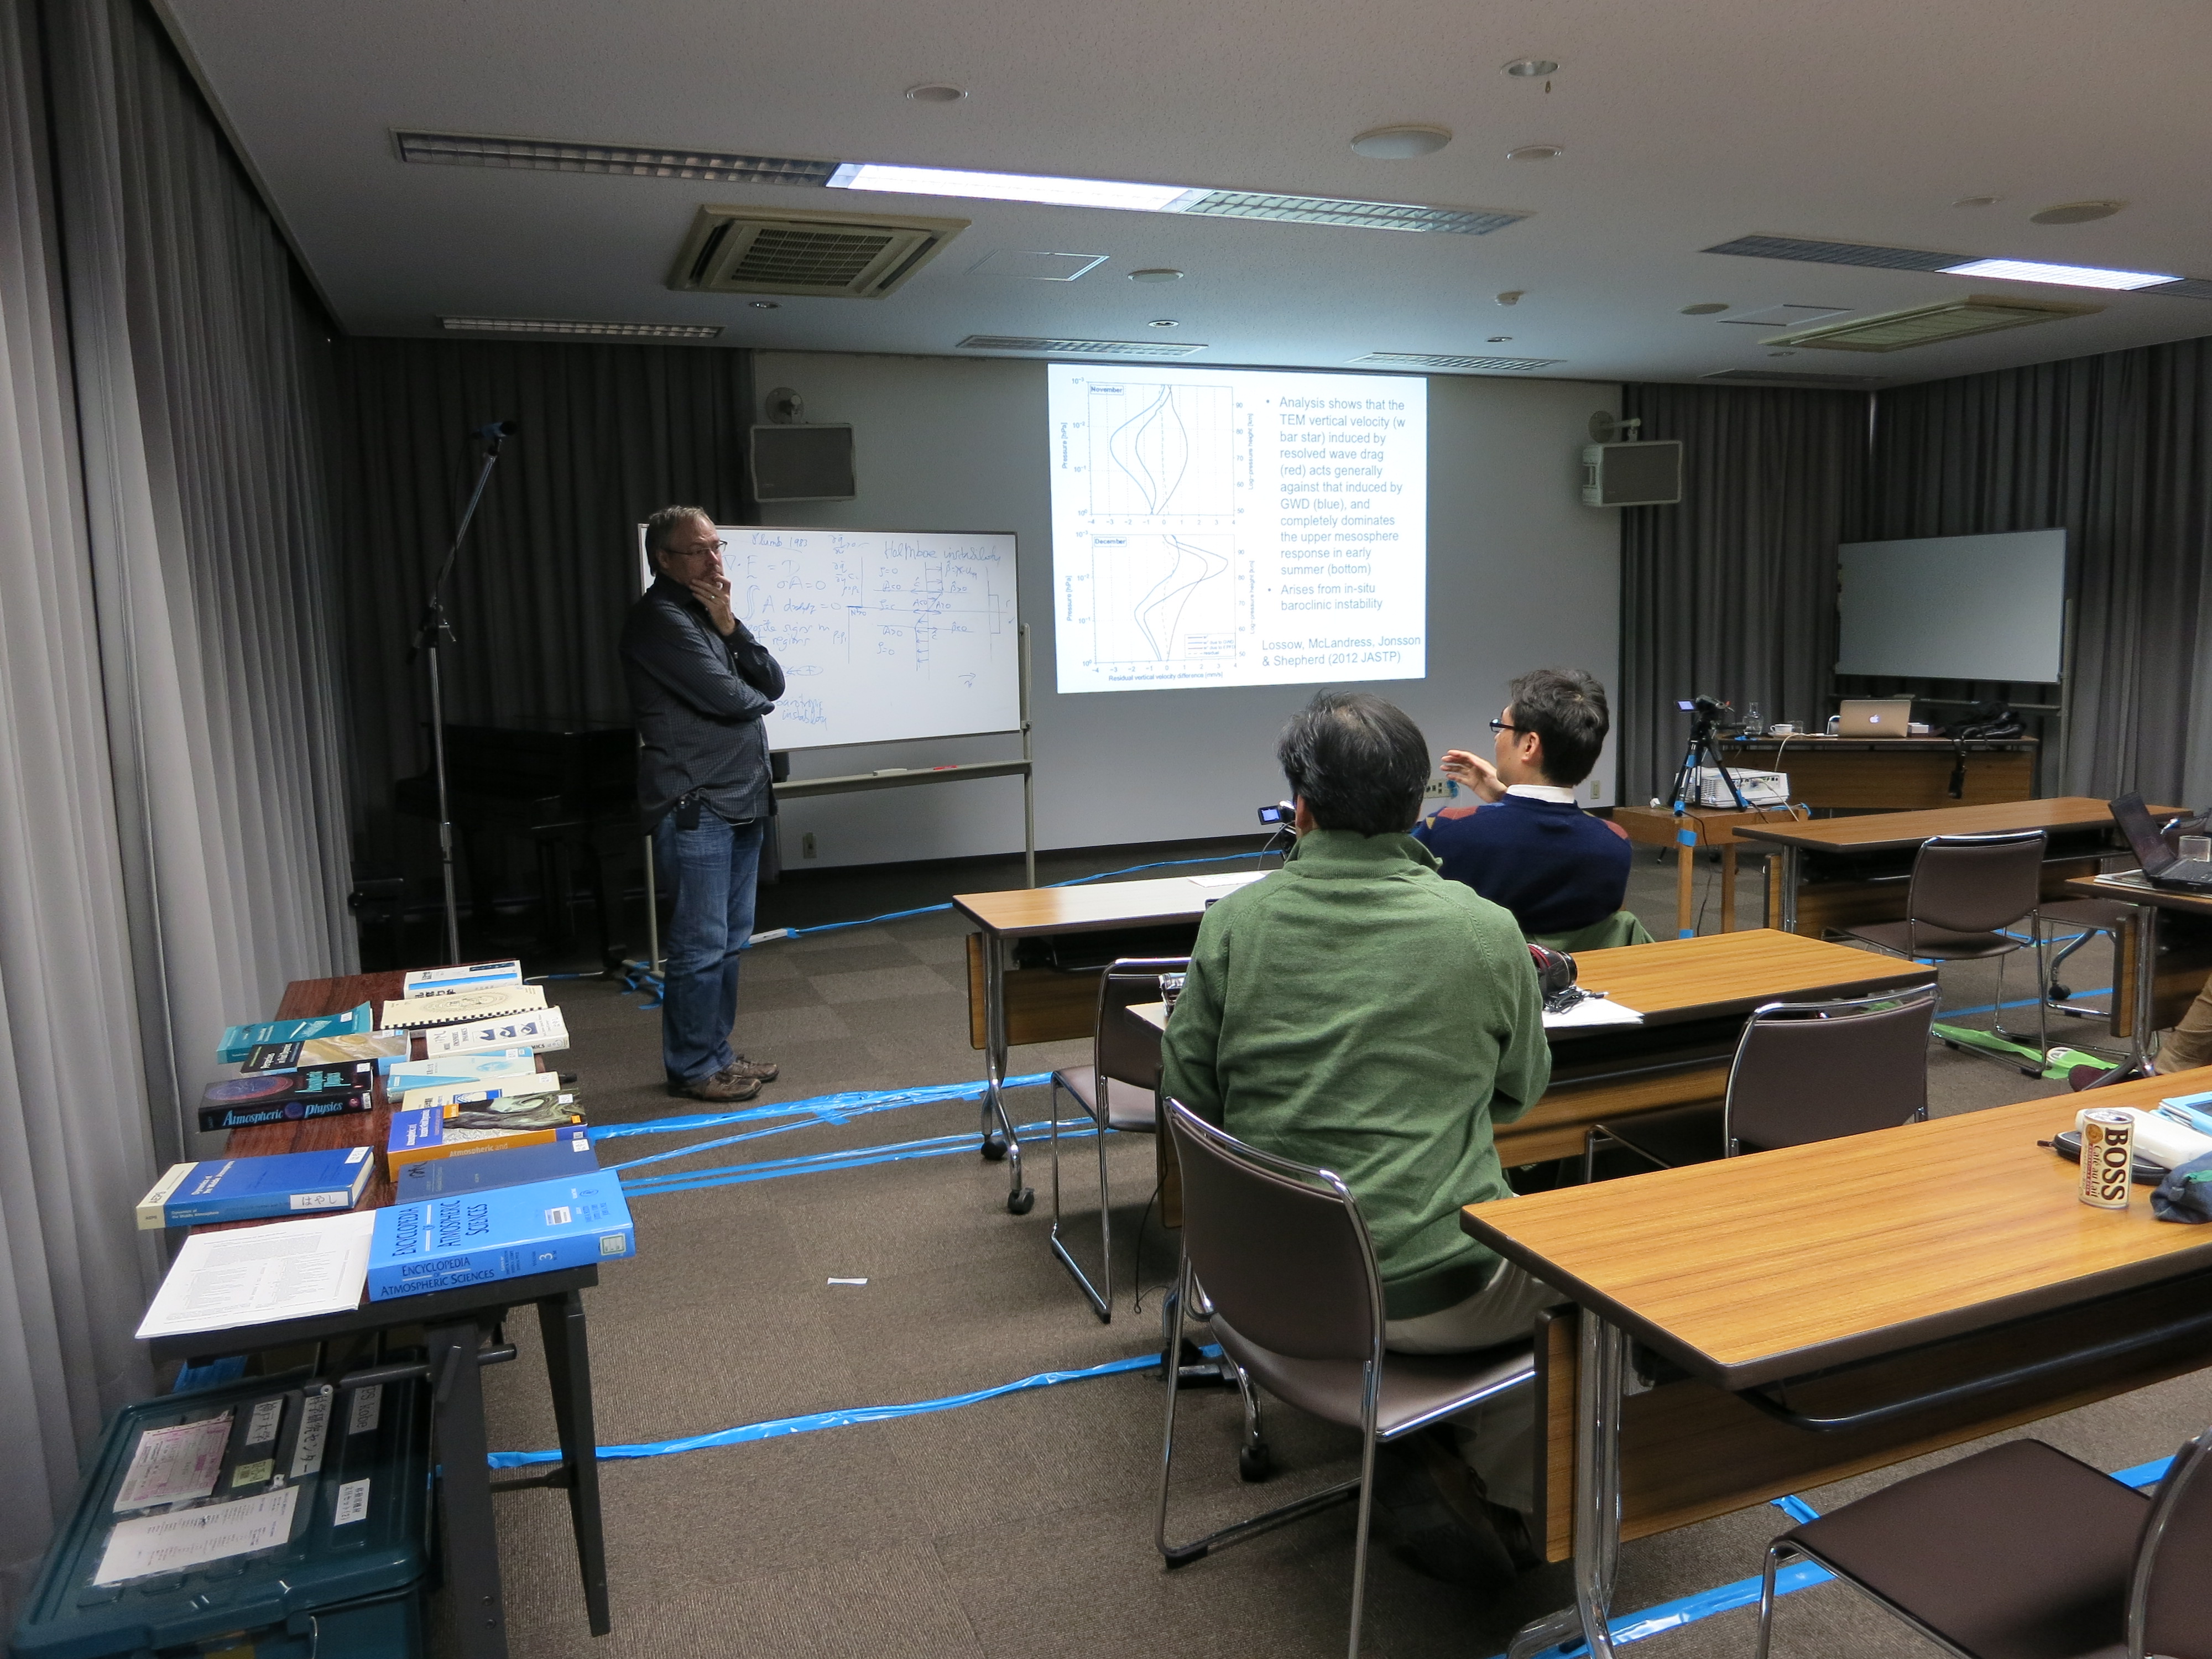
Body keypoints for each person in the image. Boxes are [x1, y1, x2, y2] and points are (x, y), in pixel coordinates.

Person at [1160, 690, 1563, 1585]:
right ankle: (1511, 1493)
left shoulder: (1234, 924)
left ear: (1300, 808)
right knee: (1611, 1288)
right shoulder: (1484, 931)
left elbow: (1188, 1105)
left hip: (1264, 1289)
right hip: (1434, 1296)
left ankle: (1440, 1445)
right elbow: (1523, 1092)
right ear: (1420, 804)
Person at [621, 507, 786, 1104]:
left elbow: (771, 680)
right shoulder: (660, 620)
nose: (714, 560)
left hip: (739, 796)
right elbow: (734, 699)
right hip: (696, 802)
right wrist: (752, 694)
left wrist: (731, 627)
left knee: (730, 940)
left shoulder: (706, 613)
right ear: (664, 559)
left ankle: (716, 1051)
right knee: (699, 944)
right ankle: (693, 1066)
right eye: (699, 550)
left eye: (717, 547)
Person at [1412, 666, 1632, 938]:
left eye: (1502, 727)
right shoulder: (1615, 844)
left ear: (1529, 745)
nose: (1497, 737)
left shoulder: (1446, 830)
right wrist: (1504, 797)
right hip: (1581, 967)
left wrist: (1505, 802)